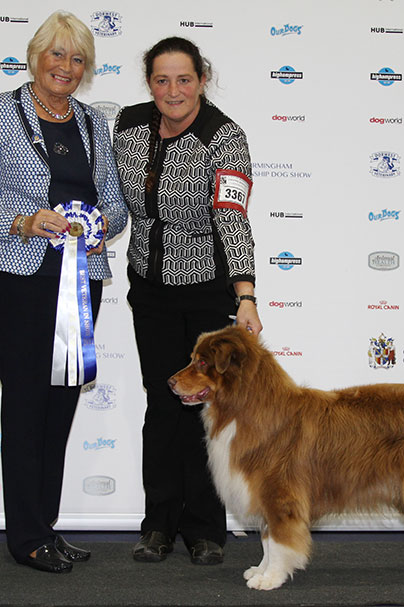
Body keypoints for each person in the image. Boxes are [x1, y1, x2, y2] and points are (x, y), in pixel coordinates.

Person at [113, 36, 262, 565]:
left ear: (202, 79)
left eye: (183, 79)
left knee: (206, 410)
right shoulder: (127, 126)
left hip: (205, 292)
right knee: (162, 404)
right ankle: (157, 525)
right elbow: (115, 204)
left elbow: (232, 216)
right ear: (148, 82)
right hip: (148, 290)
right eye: (161, 79)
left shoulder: (225, 137)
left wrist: (244, 294)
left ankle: (205, 530)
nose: (172, 90)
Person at [0, 11, 128, 573]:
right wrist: (24, 221)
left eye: (78, 59)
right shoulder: (4, 113)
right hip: (23, 282)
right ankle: (24, 536)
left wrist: (96, 225)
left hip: (80, 282)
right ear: (35, 57)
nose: (67, 68)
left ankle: (45, 527)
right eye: (57, 55)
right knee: (26, 409)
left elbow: (115, 201)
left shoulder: (92, 124)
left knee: (59, 409)